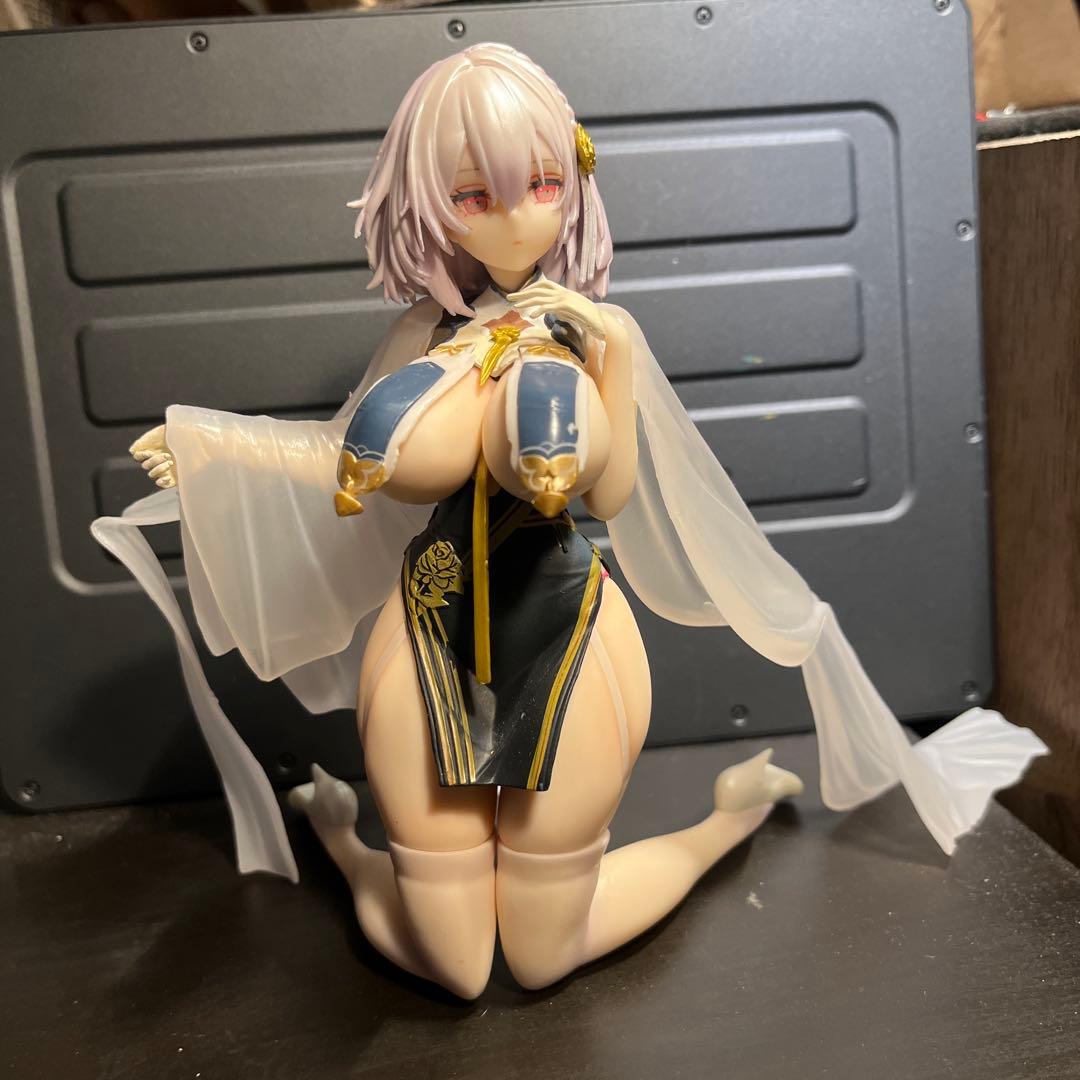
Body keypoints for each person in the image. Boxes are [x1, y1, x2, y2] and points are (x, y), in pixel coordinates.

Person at [98, 42, 1046, 999]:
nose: (517, 217)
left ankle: (725, 823)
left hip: (566, 623)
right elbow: (344, 451)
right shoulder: (422, 334)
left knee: (542, 953)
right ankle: (345, 842)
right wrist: (216, 446)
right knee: (456, 966)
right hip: (428, 628)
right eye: (475, 196)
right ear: (429, 202)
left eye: (542, 185)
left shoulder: (591, 333)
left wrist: (612, 354)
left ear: (574, 180)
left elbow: (613, 494)